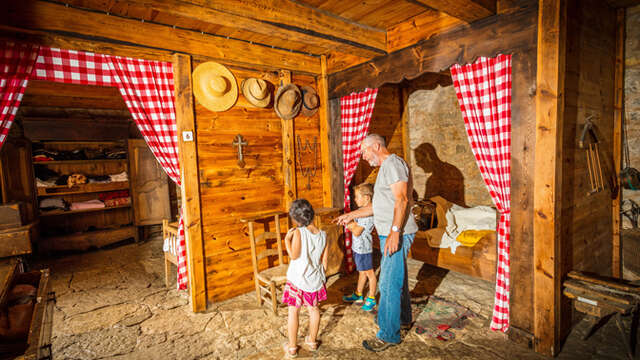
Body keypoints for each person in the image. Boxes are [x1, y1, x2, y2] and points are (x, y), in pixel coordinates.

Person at [335, 134, 418, 352]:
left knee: (388, 283)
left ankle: (388, 335)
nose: (363, 157)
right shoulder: (386, 168)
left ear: (377, 146)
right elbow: (379, 206)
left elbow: (402, 200)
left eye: (364, 151)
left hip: (395, 232)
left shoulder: (393, 164)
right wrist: (351, 214)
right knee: (397, 277)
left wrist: (394, 232)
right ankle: (402, 318)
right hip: (390, 232)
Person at [282, 199, 328, 358]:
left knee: (293, 311)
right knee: (314, 309)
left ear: (295, 219)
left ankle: (293, 347)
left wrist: (286, 241)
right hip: (314, 280)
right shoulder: (323, 234)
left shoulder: (299, 233)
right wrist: (321, 278)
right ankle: (312, 341)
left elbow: (294, 256)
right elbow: (325, 261)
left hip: (297, 280)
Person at [342, 182, 377, 311]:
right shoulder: (360, 212)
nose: (355, 199)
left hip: (364, 249)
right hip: (358, 247)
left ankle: (372, 298)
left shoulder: (368, 215)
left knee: (370, 274)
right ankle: (358, 294)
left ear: (367, 198)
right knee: (361, 272)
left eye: (357, 197)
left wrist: (348, 222)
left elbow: (357, 231)